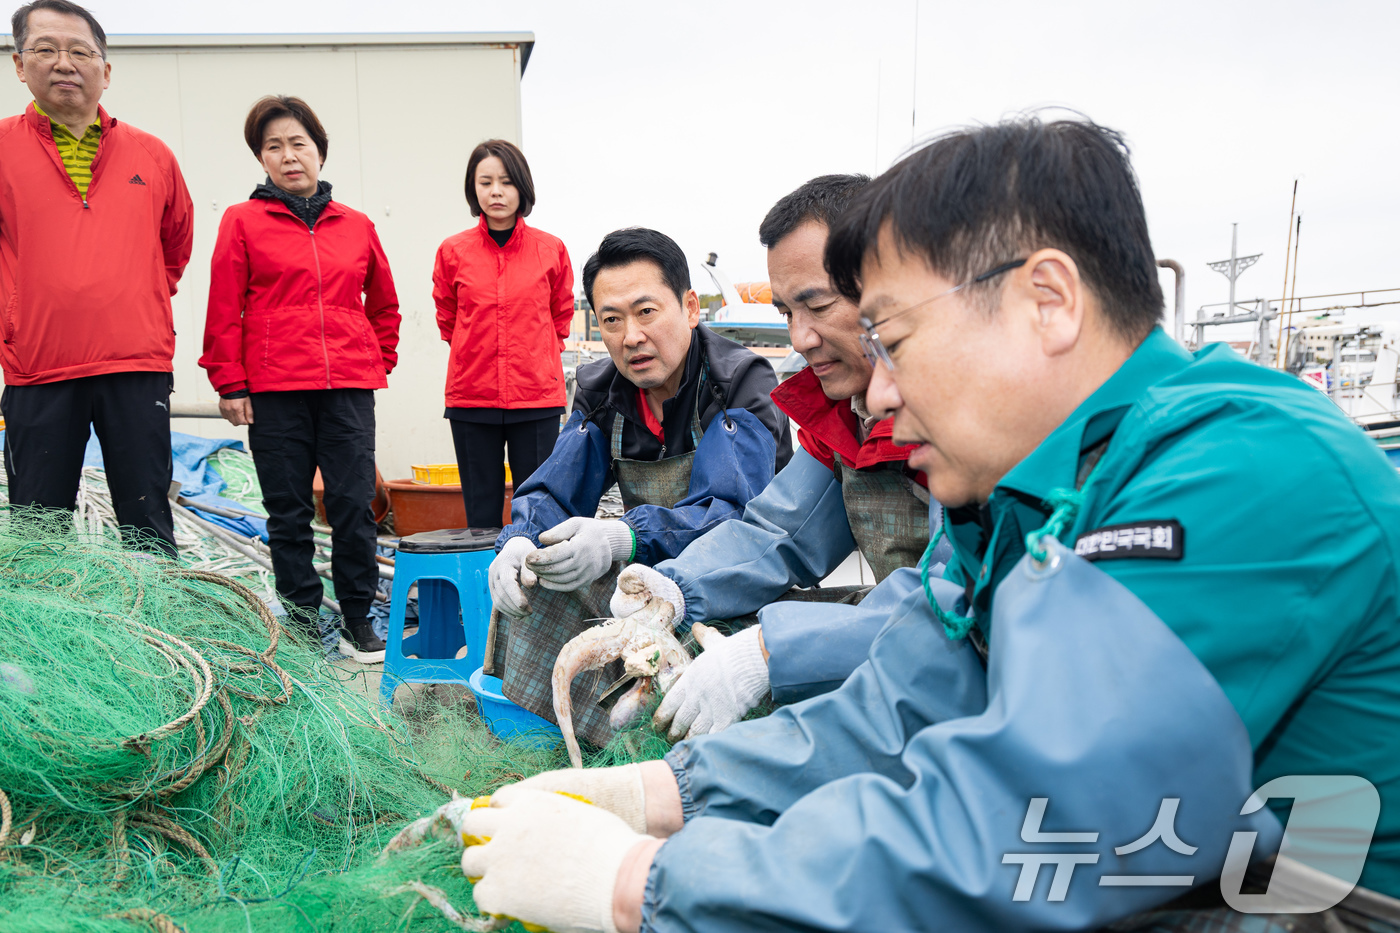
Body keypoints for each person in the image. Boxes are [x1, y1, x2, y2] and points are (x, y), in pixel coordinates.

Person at [450, 117, 1400, 932]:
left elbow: (1043, 820)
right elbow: (899, 710)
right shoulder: (1026, 496)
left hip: (1326, 899)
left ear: (1048, 300)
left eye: (893, 341)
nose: (884, 392)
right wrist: (659, 795)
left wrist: (636, 884)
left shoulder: (1243, 472)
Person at [619, 174, 950, 741]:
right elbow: (779, 532)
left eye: (817, 306)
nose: (799, 339)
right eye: (786, 312)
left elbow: (957, 594)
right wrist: (674, 587)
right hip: (902, 626)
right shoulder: (842, 409)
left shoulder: (973, 415)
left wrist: (771, 652)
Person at [486, 227, 793, 749]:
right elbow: (556, 487)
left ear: (690, 307)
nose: (630, 336)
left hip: (732, 582)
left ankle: (669, 754)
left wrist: (622, 538)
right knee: (534, 578)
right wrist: (520, 538)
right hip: (647, 577)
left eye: (646, 312)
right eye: (612, 319)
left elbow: (732, 511)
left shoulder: (738, 382)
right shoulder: (602, 391)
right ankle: (584, 743)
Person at [199, 95, 401, 662]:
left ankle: (359, 617)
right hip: (274, 390)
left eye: (298, 144)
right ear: (261, 159)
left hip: (347, 392)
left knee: (354, 506)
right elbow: (223, 308)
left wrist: (374, 359)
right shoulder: (241, 221)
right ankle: (305, 618)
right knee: (287, 511)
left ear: (319, 151)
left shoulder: (356, 226)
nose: (289, 156)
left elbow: (385, 306)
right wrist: (229, 382)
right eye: (274, 147)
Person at [1, 0, 192, 556]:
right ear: (19, 65)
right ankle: (44, 642)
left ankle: (157, 638)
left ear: (105, 71)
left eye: (81, 51)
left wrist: (130, 298)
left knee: (148, 525)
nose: (65, 63)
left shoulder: (152, 155)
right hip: (38, 368)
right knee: (39, 535)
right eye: (46, 49)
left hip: (136, 363)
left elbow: (174, 247)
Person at [434, 139, 574, 529]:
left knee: (535, 510)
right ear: (473, 188)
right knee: (480, 512)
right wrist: (473, 351)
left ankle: (535, 589)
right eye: (486, 182)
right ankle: (485, 588)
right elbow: (447, 317)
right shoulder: (453, 251)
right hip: (471, 398)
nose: (496, 191)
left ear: (522, 188)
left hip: (535, 398)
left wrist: (534, 354)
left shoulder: (551, 250)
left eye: (507, 182)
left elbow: (561, 316)